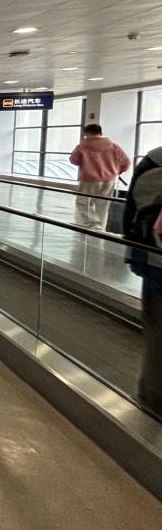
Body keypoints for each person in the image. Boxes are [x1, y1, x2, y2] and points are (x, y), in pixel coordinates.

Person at [124, 146, 162, 415]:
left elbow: (131, 213)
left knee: (157, 328)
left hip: (153, 260)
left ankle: (154, 396)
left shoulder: (154, 159)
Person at [70, 123, 130, 229]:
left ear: (86, 133)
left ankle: (93, 224)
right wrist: (117, 171)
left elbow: (73, 160)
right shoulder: (113, 146)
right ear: (100, 133)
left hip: (89, 179)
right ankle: (100, 229)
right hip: (109, 180)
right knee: (103, 206)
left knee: (82, 203)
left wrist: (85, 162)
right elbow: (126, 162)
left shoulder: (82, 146)